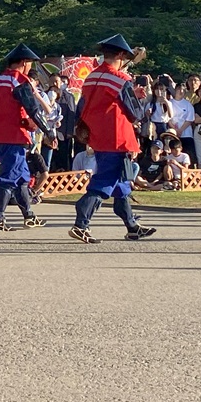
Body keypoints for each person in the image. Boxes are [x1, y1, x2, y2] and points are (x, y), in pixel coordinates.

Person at [69, 34, 156, 245]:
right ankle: (81, 223)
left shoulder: (91, 77)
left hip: (98, 134)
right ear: (120, 54)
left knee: (121, 184)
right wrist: (137, 96)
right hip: (117, 136)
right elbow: (134, 112)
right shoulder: (121, 79)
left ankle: (132, 227)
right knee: (106, 181)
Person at [0, 44, 54, 232]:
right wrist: (48, 130)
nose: (30, 67)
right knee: (9, 178)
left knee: (21, 178)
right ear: (23, 62)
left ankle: (29, 215)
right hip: (14, 135)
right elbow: (32, 109)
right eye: (29, 63)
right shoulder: (19, 81)